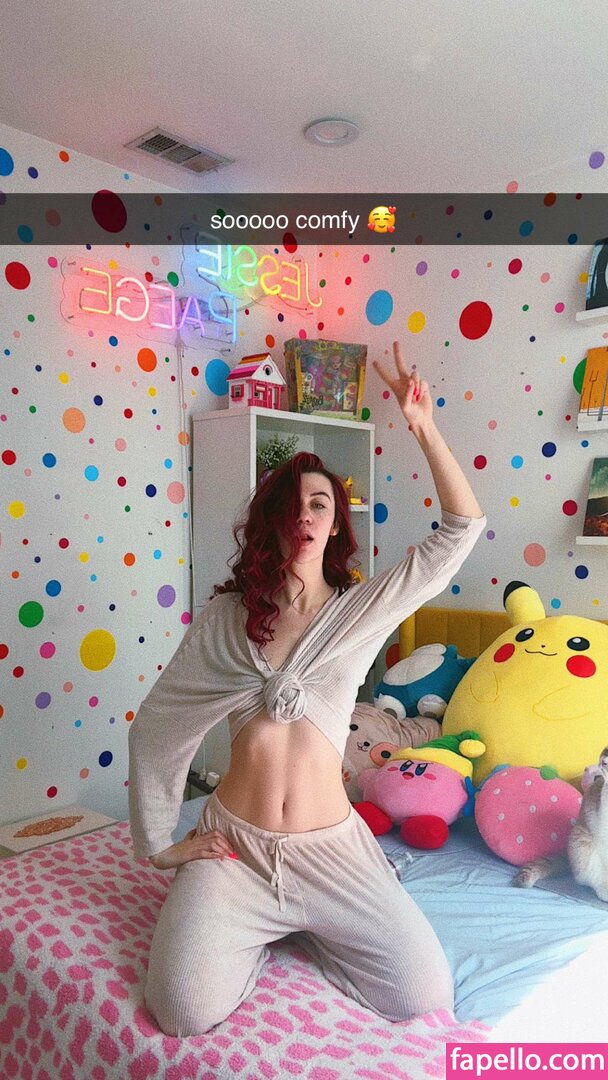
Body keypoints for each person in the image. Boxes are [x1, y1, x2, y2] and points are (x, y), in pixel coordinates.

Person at [128, 340, 485, 1037]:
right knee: (179, 1010)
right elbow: (159, 724)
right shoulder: (227, 619)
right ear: (270, 520)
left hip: (332, 853)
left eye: (320, 503)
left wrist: (424, 429)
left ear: (335, 522)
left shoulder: (359, 611)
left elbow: (460, 532)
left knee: (422, 994)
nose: (305, 514)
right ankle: (257, 932)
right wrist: (158, 844)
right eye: (291, 504)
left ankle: (310, 926)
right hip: (235, 852)